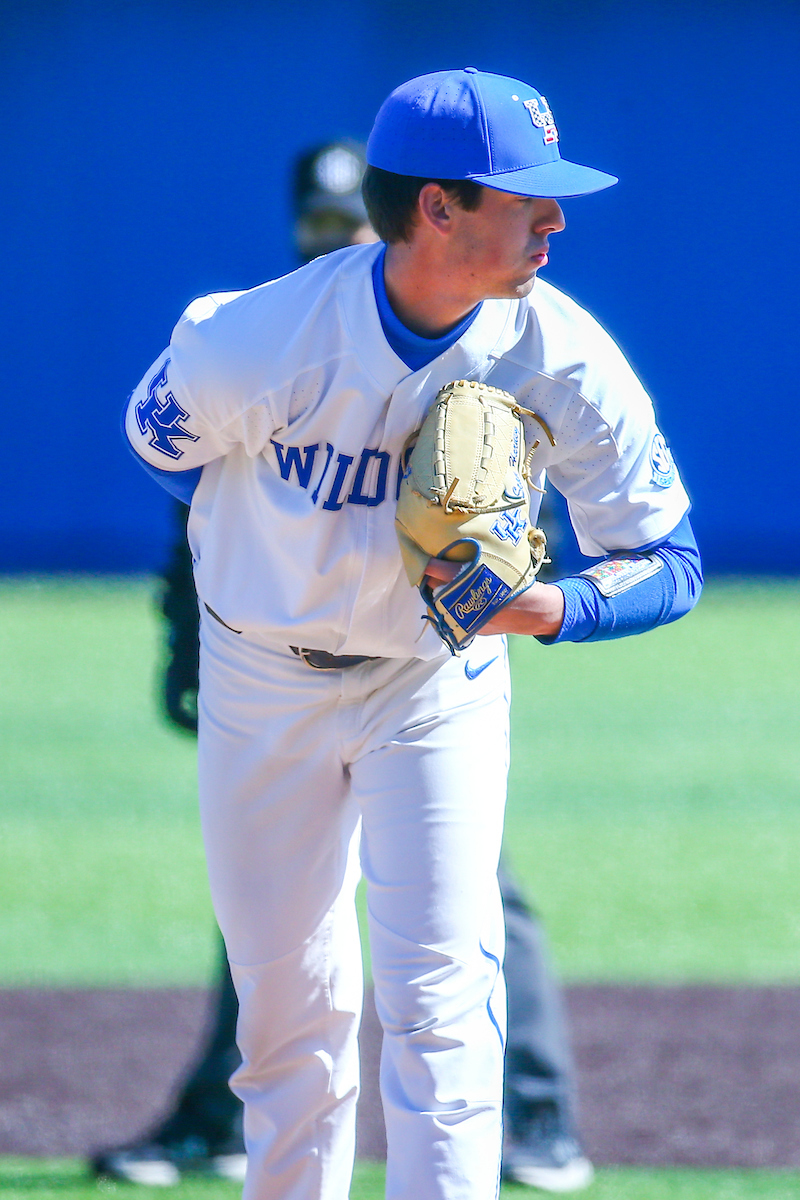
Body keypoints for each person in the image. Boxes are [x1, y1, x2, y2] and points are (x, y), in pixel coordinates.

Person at [119, 67, 702, 1200]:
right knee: (290, 1021)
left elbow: (668, 563)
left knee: (443, 1002)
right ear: (438, 206)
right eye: (525, 193)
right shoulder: (262, 337)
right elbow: (157, 442)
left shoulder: (561, 356)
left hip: (436, 685)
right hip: (261, 678)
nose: (555, 215)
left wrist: (558, 608)